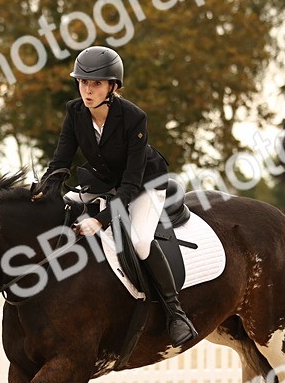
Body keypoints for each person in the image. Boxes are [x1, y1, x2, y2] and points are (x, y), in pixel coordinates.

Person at [34, 45, 196, 346]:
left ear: (113, 86)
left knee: (139, 240)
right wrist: (47, 188)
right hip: (102, 182)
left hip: (145, 184)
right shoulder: (74, 112)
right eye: (83, 82)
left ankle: (175, 313)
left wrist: (101, 219)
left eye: (96, 83)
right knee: (61, 212)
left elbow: (131, 185)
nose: (88, 89)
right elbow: (60, 162)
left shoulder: (134, 118)